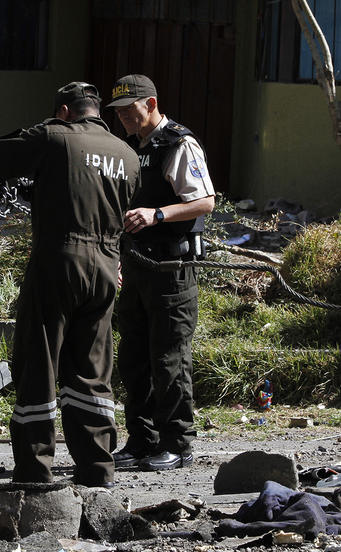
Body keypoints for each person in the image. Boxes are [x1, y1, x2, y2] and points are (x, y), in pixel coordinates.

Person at [0, 82, 141, 488]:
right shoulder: (128, 155)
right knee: (91, 371)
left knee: (39, 364)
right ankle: (98, 472)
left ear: (65, 111)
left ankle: (35, 473)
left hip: (59, 262)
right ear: (99, 112)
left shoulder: (53, 136)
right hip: (105, 266)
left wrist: (45, 129)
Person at [107, 74, 216, 471]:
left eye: (128, 110)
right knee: (133, 358)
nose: (122, 118)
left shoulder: (179, 143)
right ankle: (141, 440)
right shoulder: (132, 149)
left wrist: (158, 214)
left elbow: (205, 201)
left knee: (169, 359)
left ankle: (177, 443)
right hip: (136, 267)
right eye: (116, 113)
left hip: (171, 269)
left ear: (150, 105)